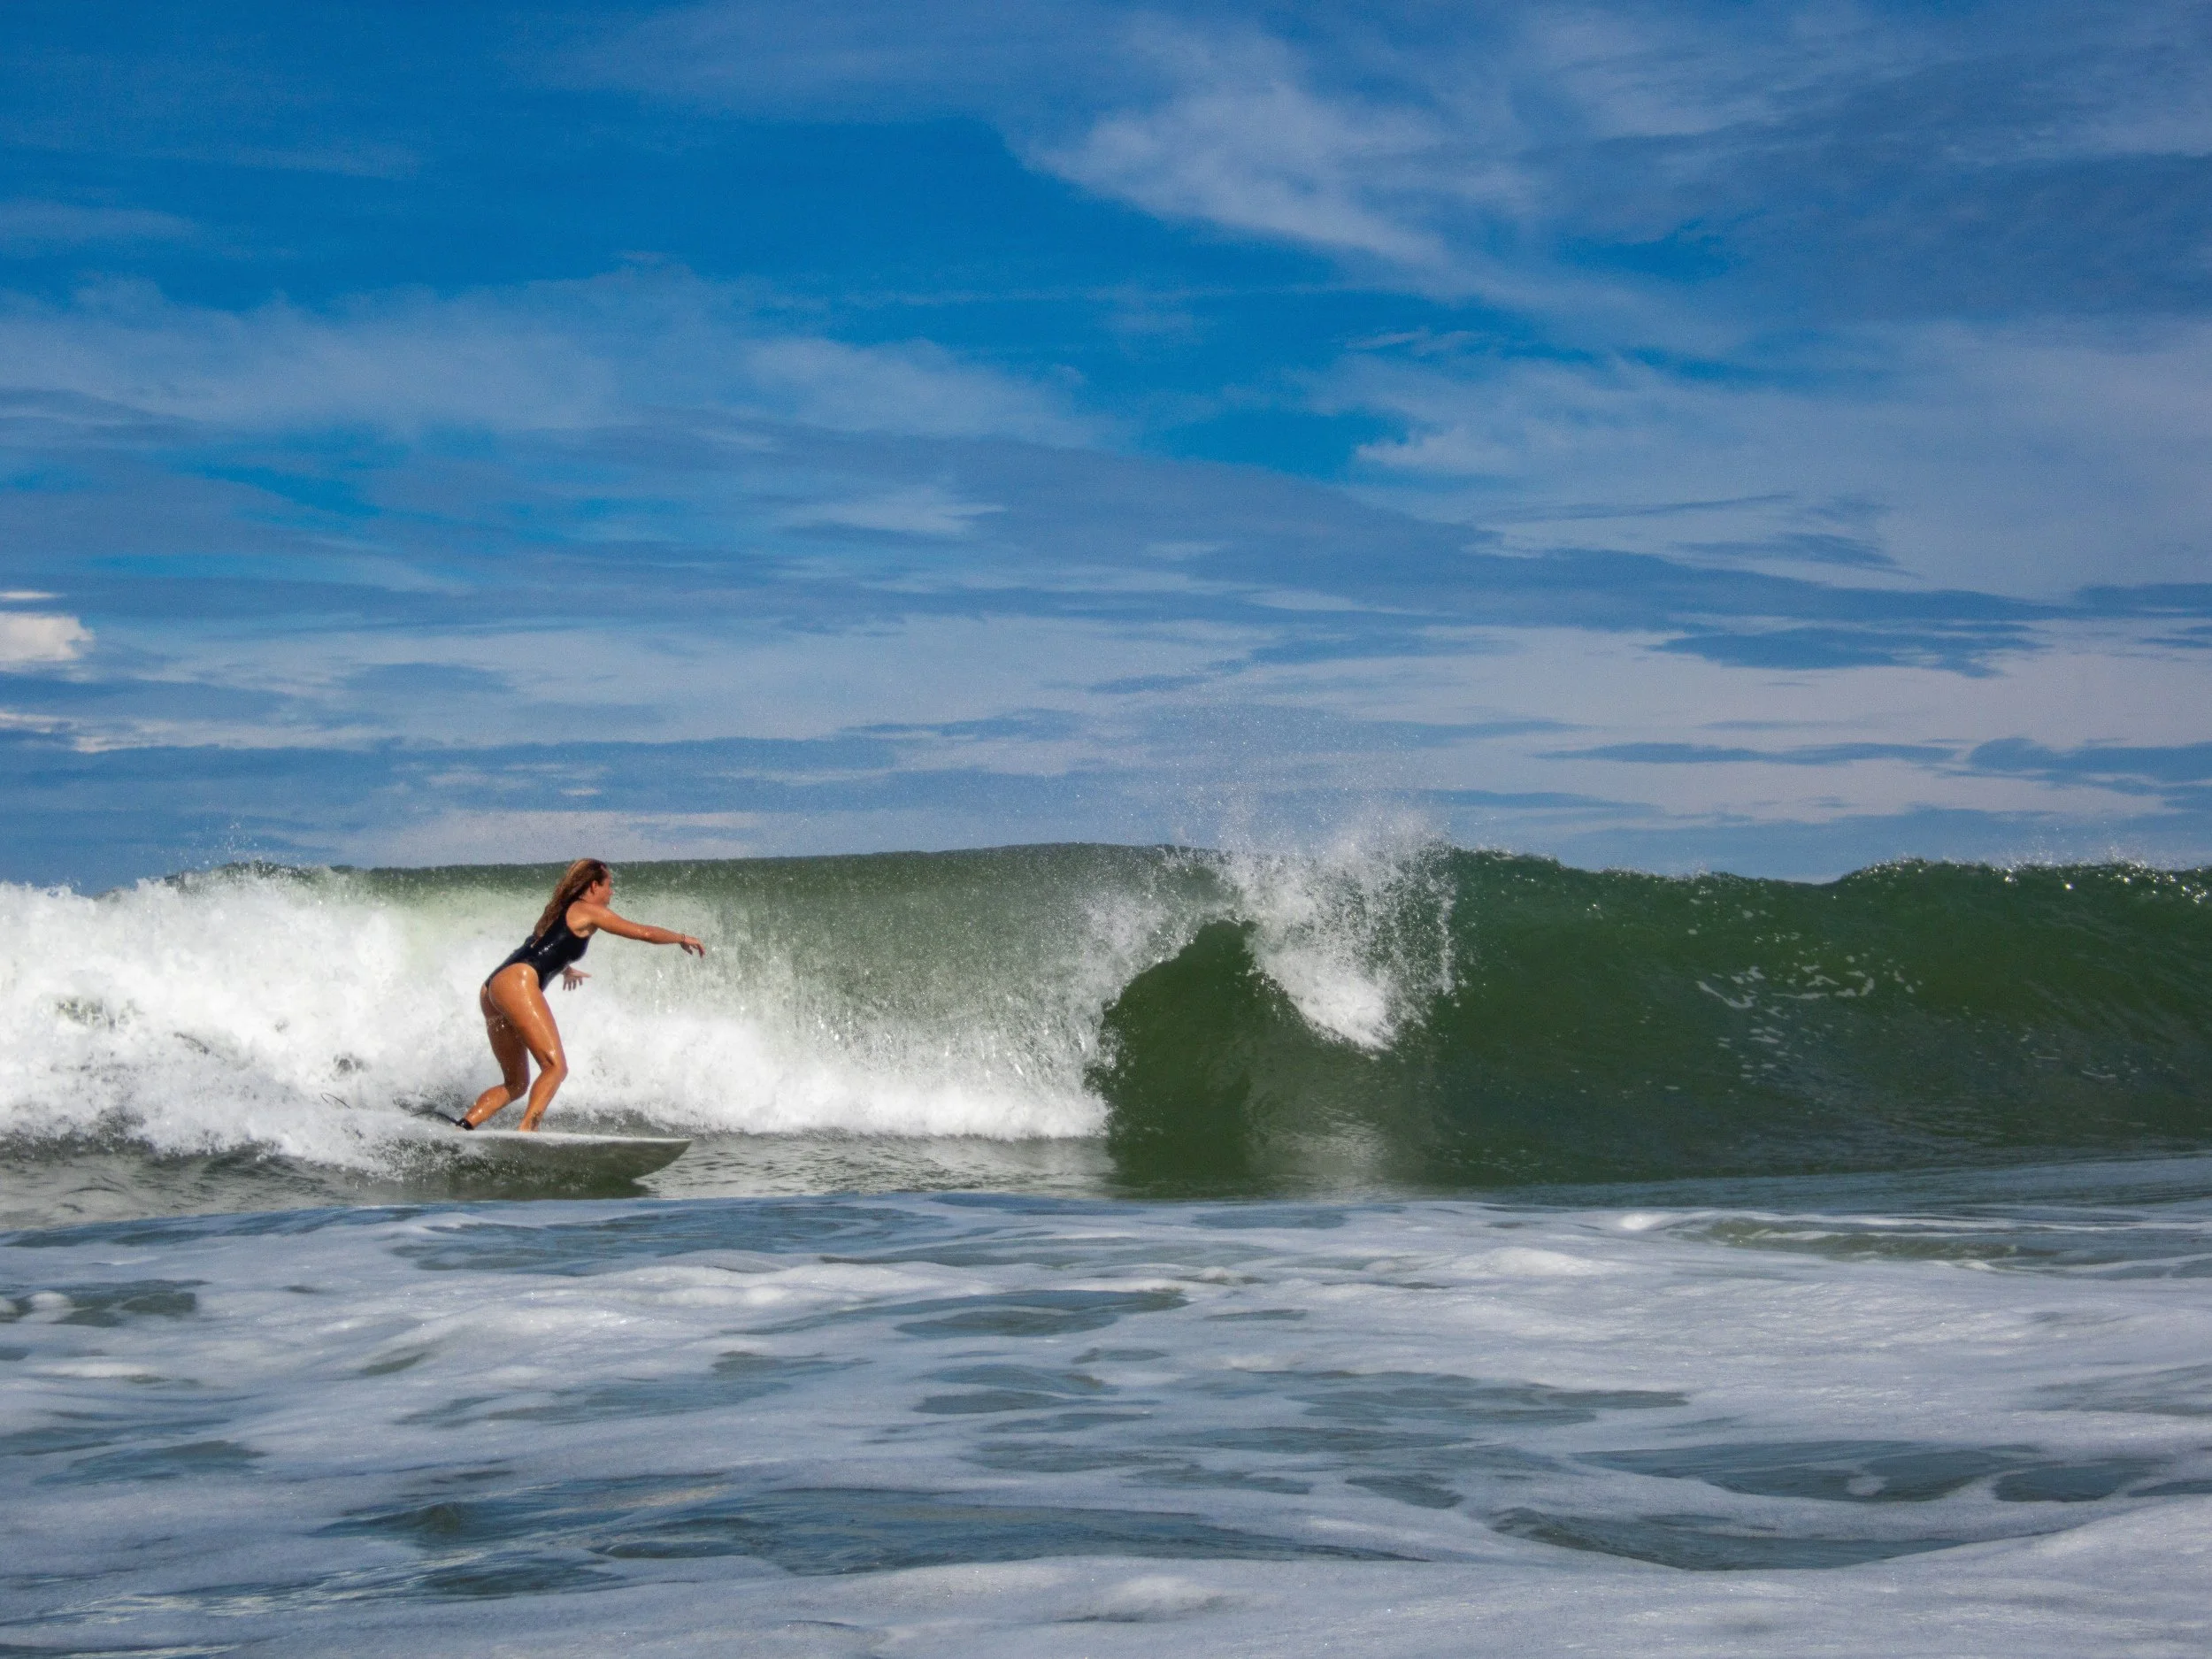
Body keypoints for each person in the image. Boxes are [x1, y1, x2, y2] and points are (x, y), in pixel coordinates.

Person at [458, 858, 704, 1132]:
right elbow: (643, 933)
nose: (611, 892)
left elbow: (540, 949)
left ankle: (465, 1127)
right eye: (609, 885)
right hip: (517, 982)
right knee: (555, 1067)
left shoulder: (561, 911)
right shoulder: (589, 910)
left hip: (493, 987)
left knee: (515, 1084)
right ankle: (527, 1130)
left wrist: (565, 969)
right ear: (593, 885)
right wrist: (682, 938)